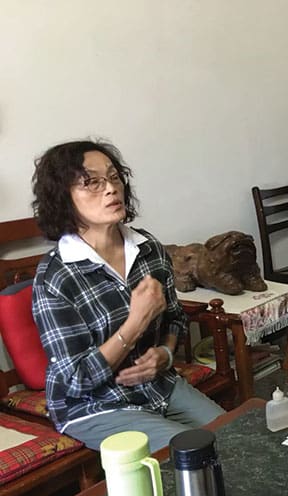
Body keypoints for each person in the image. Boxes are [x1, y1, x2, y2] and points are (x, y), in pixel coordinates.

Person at [31, 140, 225, 453]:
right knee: (197, 452)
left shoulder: (147, 249)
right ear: (63, 197)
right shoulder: (56, 276)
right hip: (95, 406)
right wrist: (136, 322)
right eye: (91, 182)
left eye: (114, 177)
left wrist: (165, 352)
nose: (110, 189)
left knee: (238, 435)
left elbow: (175, 318)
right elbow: (77, 380)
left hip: (158, 385)